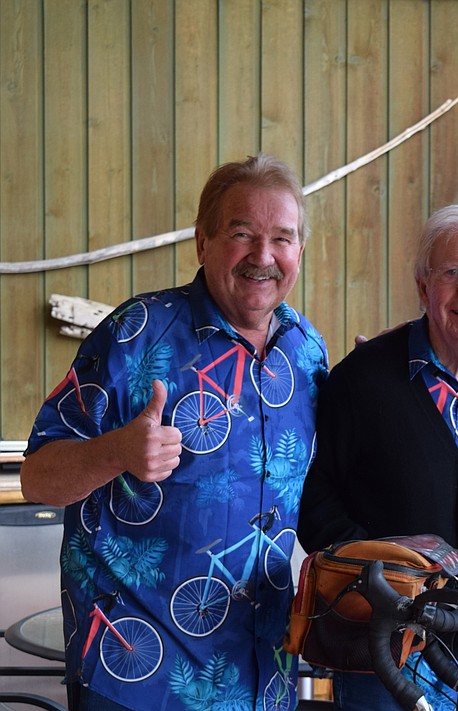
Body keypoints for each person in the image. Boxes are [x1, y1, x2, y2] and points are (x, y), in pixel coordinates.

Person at [20, 154, 329, 711]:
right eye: (242, 233)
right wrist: (115, 451)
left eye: (282, 238)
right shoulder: (136, 333)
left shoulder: (307, 352)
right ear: (202, 241)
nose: (264, 256)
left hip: (261, 673)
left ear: (299, 253)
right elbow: (37, 477)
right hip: (140, 677)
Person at [297, 204, 458, 711]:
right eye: (452, 273)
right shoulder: (362, 379)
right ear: (424, 287)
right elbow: (317, 500)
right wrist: (386, 586)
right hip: (380, 653)